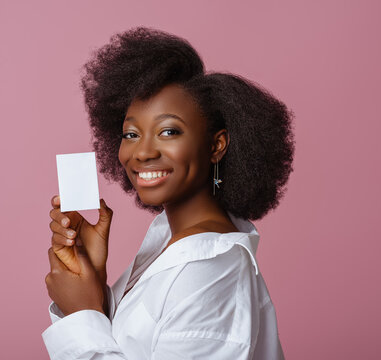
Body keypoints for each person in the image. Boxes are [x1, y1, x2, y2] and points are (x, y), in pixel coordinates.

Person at [42, 26, 295, 360]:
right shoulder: (172, 241)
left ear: (216, 146)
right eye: (130, 134)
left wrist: (81, 315)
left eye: (168, 131)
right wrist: (96, 288)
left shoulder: (210, 271)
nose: (143, 152)